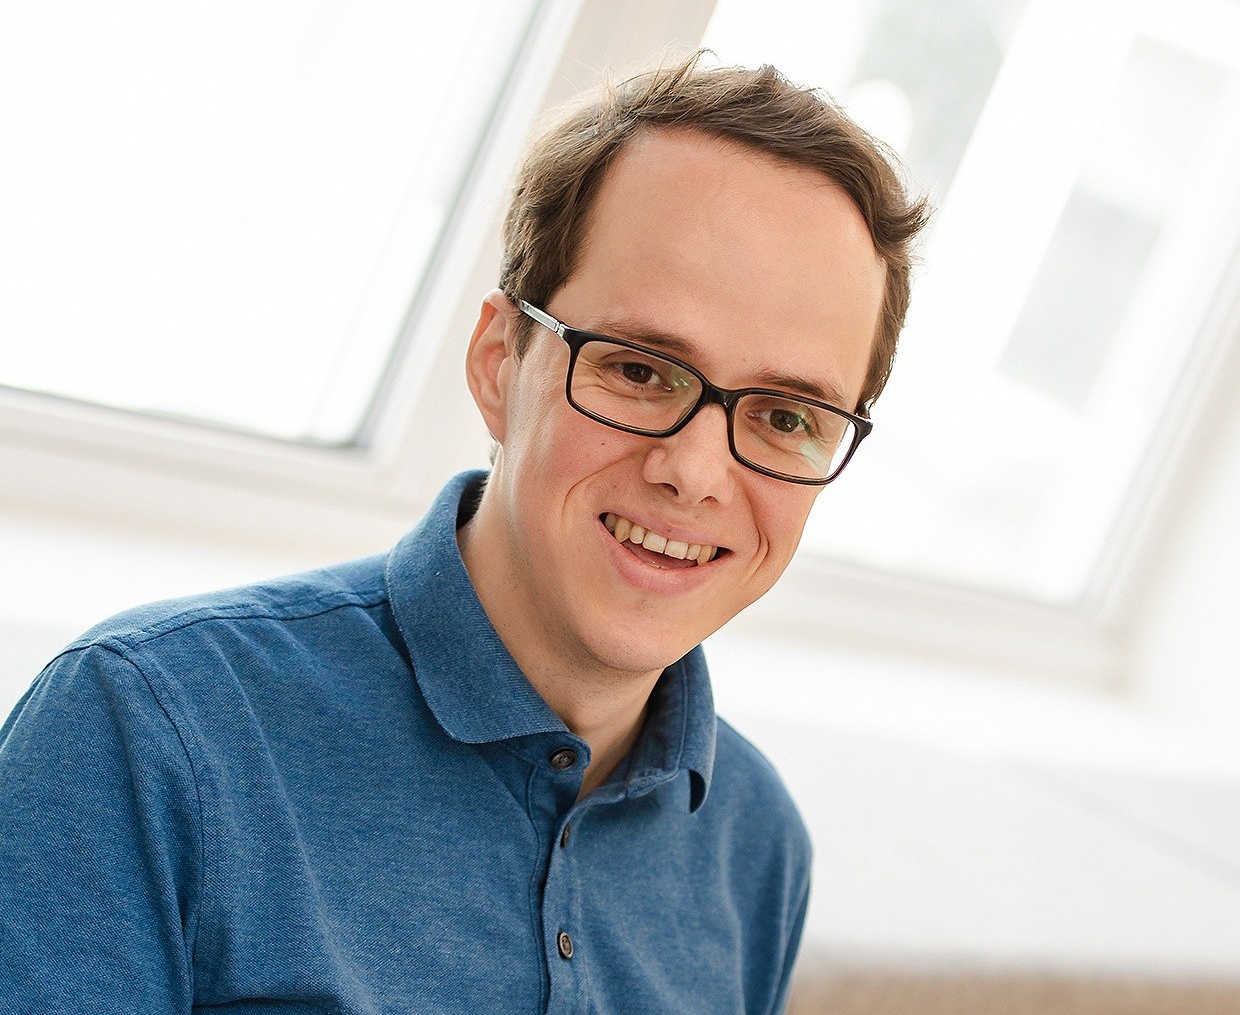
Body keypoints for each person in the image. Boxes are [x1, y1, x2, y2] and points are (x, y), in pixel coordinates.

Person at [0, 56, 928, 1013]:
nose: (694, 473)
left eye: (785, 417)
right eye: (639, 370)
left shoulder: (756, 846)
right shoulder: (149, 729)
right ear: (497, 362)